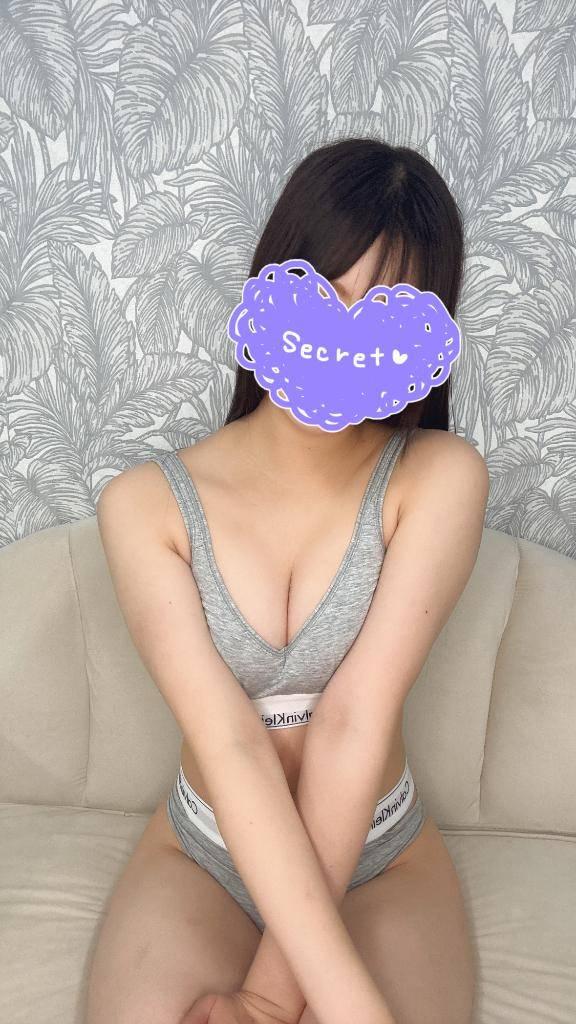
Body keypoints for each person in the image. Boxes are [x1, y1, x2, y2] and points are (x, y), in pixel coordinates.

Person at [85, 136, 487, 1024]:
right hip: (207, 849)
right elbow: (229, 741)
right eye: (328, 298)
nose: (343, 344)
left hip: (377, 854)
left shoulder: (440, 479)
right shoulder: (145, 506)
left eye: (383, 318)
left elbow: (352, 722)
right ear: (273, 287)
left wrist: (275, 996)